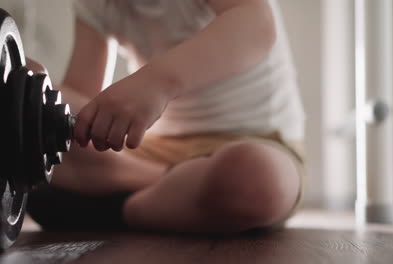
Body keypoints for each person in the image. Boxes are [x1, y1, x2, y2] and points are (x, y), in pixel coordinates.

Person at [27, 0, 306, 234]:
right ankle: (165, 189)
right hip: (146, 155)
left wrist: (156, 83)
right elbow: (81, 109)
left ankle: (122, 210)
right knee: (33, 110)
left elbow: (255, 25)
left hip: (256, 142)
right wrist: (33, 106)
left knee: (254, 179)